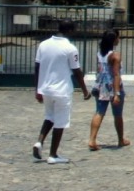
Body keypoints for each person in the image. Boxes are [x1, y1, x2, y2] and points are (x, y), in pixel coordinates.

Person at [33, 19, 91, 164]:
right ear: (70, 31)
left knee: (49, 116)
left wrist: (37, 89)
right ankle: (53, 155)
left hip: (45, 88)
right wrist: (85, 91)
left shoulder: (43, 44)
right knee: (60, 121)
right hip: (62, 90)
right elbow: (77, 71)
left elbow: (37, 68)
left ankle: (39, 141)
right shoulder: (70, 48)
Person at [88, 29, 130, 150]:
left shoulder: (100, 54)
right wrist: (116, 93)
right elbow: (116, 74)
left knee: (99, 112)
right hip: (112, 87)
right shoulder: (115, 55)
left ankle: (92, 139)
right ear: (113, 40)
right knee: (118, 114)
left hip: (100, 85)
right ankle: (120, 139)